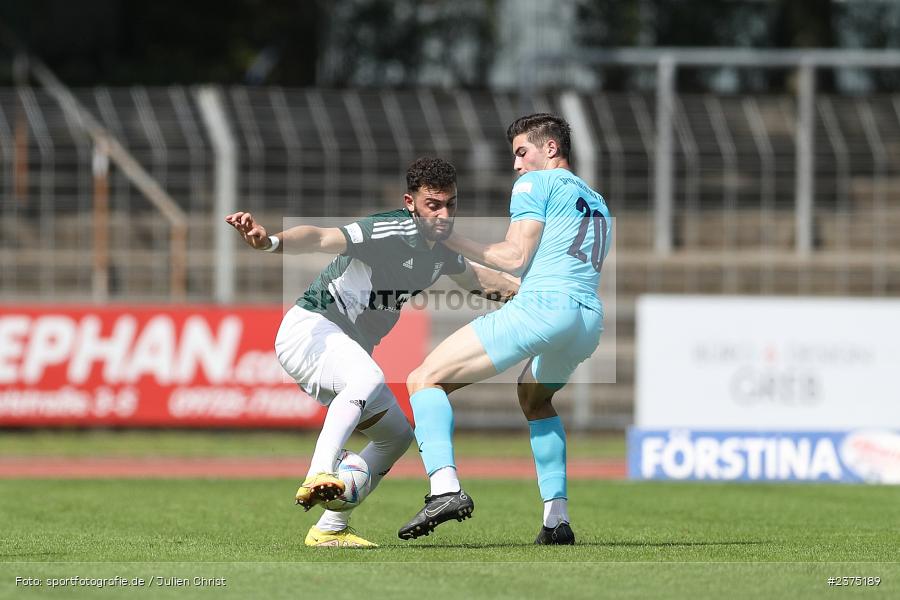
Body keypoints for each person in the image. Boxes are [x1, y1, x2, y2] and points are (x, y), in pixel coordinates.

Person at [226, 157, 517, 548]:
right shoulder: (388, 229)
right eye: (433, 205)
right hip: (311, 329)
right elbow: (320, 238)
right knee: (368, 377)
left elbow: (481, 281)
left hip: (342, 345)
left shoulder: (442, 250)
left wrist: (537, 296)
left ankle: (329, 529)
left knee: (396, 437)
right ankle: (319, 472)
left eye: (450, 204)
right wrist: (269, 242)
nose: (444, 214)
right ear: (410, 203)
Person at [398, 114, 612, 545]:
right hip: (587, 320)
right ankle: (556, 520)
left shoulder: (536, 182)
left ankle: (444, 489)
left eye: (521, 152)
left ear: (550, 148)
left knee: (424, 379)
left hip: (546, 308)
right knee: (534, 398)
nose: (516, 164)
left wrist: (444, 235)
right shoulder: (597, 199)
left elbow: (514, 257)